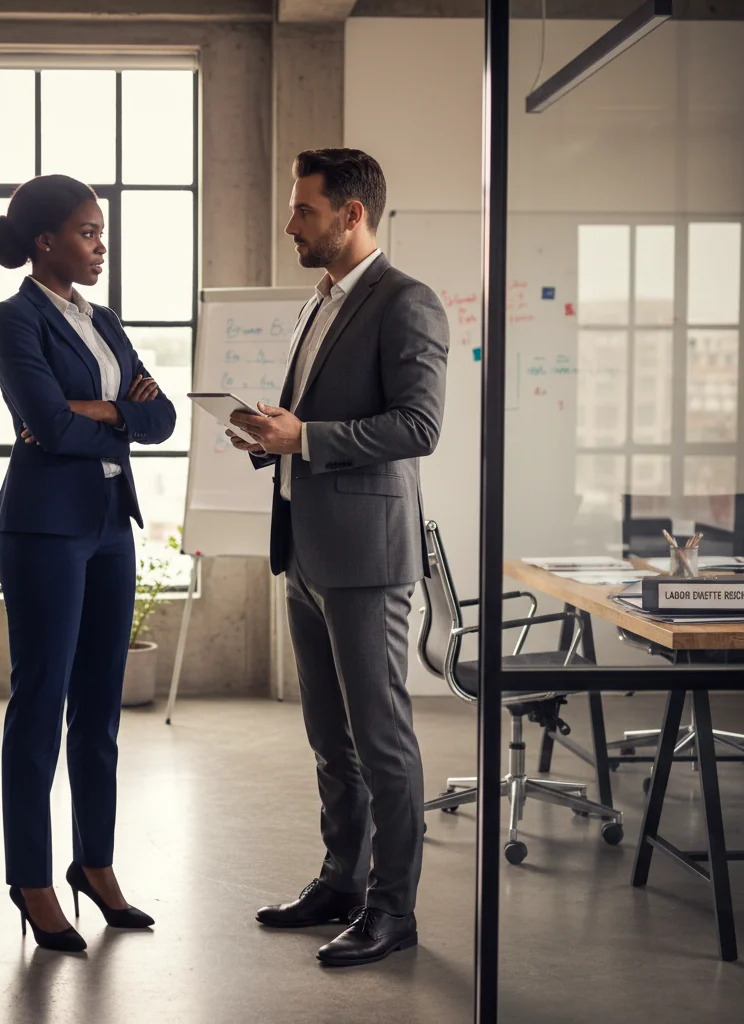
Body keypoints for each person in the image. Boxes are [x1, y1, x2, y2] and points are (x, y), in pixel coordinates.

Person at [227, 149, 449, 968]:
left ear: (352, 215)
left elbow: (419, 428)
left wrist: (307, 438)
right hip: (306, 547)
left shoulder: (407, 303)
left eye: (304, 211)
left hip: (366, 556)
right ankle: (341, 882)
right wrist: (272, 436)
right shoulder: (316, 302)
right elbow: (312, 422)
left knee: (381, 738)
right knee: (331, 738)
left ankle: (394, 910)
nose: (292, 223)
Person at [0, 174, 176, 952]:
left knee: (99, 713)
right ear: (45, 243)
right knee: (40, 708)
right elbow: (45, 427)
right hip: (43, 530)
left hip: (108, 525)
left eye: (102, 231)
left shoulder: (105, 321)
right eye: (89, 232)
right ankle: (30, 879)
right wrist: (107, 417)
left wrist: (99, 414)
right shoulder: (12, 319)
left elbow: (160, 417)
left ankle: (93, 865)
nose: (101, 245)